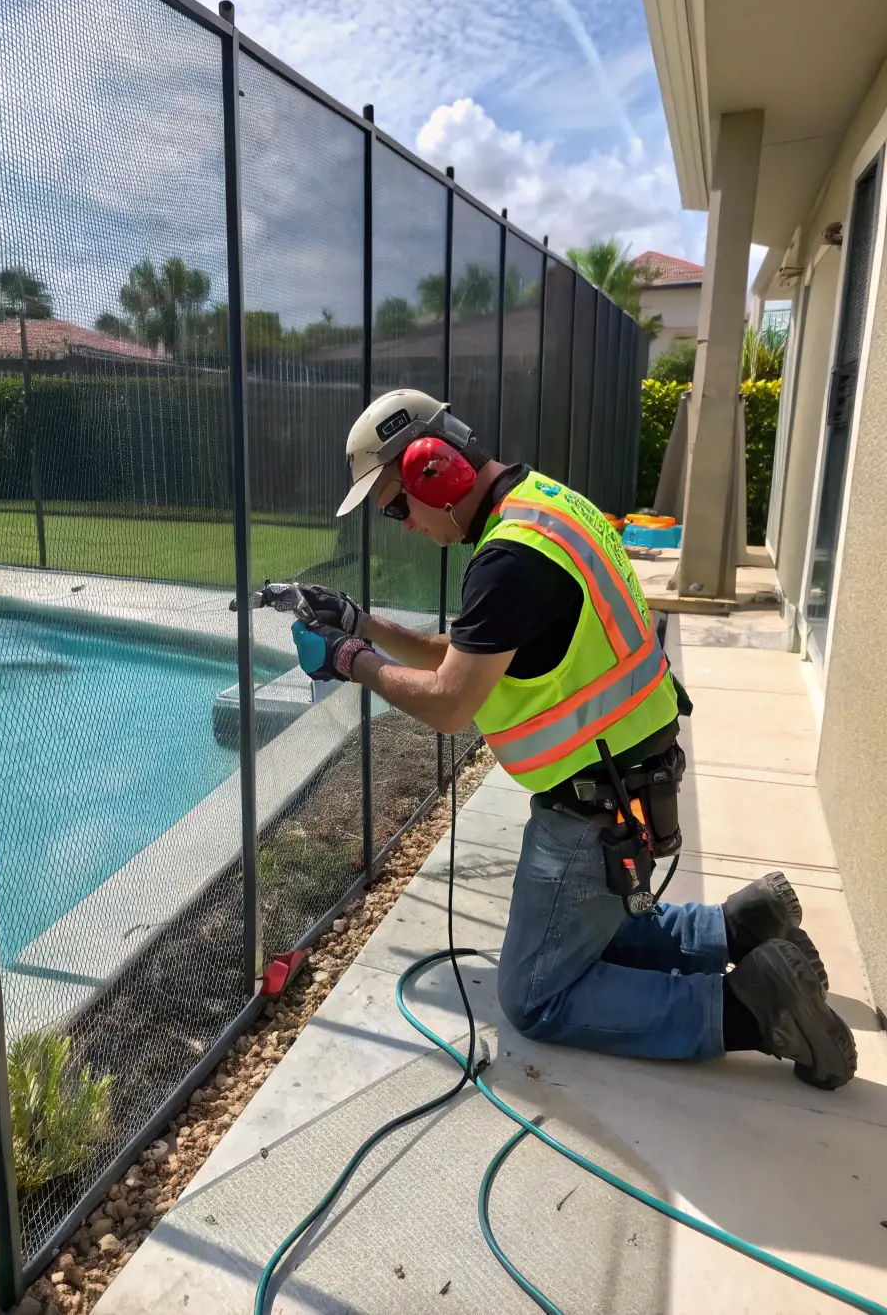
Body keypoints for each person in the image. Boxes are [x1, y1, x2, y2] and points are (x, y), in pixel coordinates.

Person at [288, 388, 856, 1089]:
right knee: (595, 927)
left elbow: (449, 703)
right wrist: (363, 623)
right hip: (632, 776)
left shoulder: (506, 562)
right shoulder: (546, 507)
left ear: (437, 470)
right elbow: (464, 652)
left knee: (535, 995)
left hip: (593, 809)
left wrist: (349, 661)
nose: (404, 525)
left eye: (399, 505)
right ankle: (737, 927)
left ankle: (749, 1007)